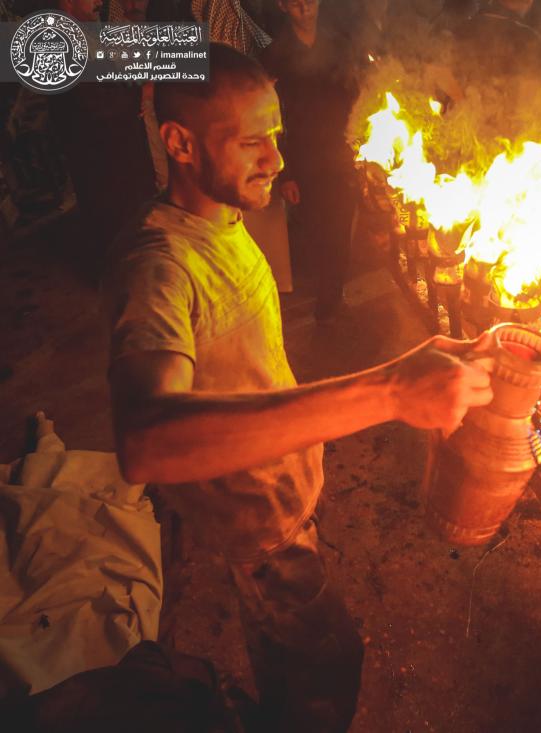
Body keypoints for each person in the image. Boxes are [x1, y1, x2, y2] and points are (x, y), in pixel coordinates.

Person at [102, 45, 493, 732]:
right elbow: (146, 441)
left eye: (276, 135)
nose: (277, 158)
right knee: (327, 672)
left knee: (300, 670)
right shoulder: (160, 266)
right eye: (251, 141)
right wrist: (390, 392)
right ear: (178, 142)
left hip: (278, 505)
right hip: (258, 533)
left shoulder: (219, 220)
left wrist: (412, 361)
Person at [262, 0, 359, 320]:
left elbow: (355, 92)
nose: (305, 8)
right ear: (283, 6)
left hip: (340, 151)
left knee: (342, 225)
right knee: (317, 229)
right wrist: (286, 172)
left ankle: (333, 297)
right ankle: (327, 296)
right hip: (304, 159)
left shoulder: (338, 43)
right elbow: (276, 118)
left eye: (309, 0)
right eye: (295, 3)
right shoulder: (276, 55)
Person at [48, 0, 158, 278]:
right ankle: (118, 279)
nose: (99, 1)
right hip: (100, 154)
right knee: (113, 218)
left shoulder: (84, 29)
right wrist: (141, 94)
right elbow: (92, 103)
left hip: (112, 148)